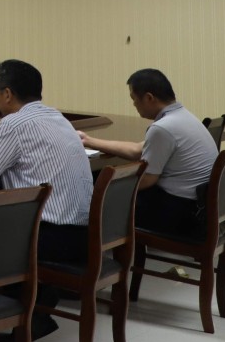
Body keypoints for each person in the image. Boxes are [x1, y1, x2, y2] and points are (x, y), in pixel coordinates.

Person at [0, 58, 93, 342]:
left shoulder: (15, 122)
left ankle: (4, 313)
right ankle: (38, 306)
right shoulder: (57, 117)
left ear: (7, 94)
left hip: (51, 238)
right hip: (83, 234)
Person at [79, 68, 218, 238]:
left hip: (180, 214)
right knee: (105, 183)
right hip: (198, 207)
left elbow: (148, 179)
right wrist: (88, 140)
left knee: (101, 191)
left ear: (149, 98)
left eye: (134, 99)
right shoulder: (183, 117)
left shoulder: (163, 128)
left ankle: (93, 246)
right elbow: (138, 150)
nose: (134, 105)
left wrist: (104, 190)